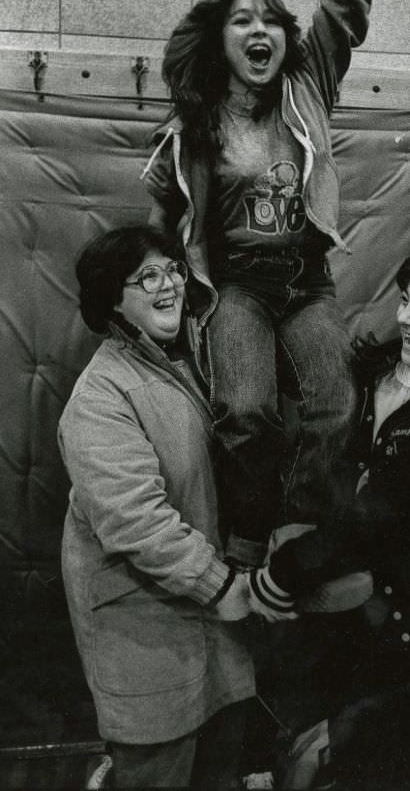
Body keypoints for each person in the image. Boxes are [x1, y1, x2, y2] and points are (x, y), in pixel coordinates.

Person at [141, 0, 399, 569]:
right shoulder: (193, 127)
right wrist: (167, 298)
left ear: (286, 38)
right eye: (241, 20)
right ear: (220, 39)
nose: (259, 30)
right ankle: (248, 530)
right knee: (246, 412)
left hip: (305, 278)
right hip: (236, 287)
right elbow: (167, 220)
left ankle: (300, 528)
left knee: (337, 404)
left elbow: (346, 5)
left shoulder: (308, 82)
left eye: (269, 21)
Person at [248, 240, 410, 791]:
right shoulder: (376, 373)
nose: (402, 318)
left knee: (405, 762)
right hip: (366, 611)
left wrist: (284, 572)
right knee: (340, 754)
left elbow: (381, 513)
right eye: (402, 300)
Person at [58, 225, 258, 790]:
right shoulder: (100, 398)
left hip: (213, 622)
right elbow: (136, 523)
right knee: (157, 771)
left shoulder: (197, 365)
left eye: (172, 268)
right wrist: (224, 588)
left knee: (221, 765)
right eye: (146, 276)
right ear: (111, 301)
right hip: (145, 632)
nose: (167, 283)